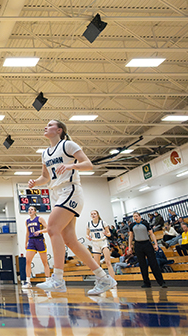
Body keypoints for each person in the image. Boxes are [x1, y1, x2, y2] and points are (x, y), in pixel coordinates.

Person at [29, 120, 116, 295]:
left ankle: (58, 279)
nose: (46, 127)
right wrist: (35, 182)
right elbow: (45, 177)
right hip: (57, 194)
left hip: (71, 191)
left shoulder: (68, 144)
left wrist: (71, 165)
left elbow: (88, 164)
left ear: (59, 130)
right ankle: (103, 278)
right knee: (70, 241)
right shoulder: (45, 153)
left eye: (50, 125)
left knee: (52, 228)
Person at [128, 212, 167, 288]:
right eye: (134, 216)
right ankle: (146, 283)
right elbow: (131, 236)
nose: (135, 217)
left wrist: (156, 244)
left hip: (147, 244)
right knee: (142, 265)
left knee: (153, 263)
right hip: (138, 245)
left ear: (140, 216)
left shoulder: (145, 223)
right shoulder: (132, 225)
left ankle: (161, 282)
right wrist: (130, 247)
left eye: (136, 216)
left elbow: (152, 234)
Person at [21, 206, 51, 288]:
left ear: (35, 211)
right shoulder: (27, 221)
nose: (30, 211)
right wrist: (25, 243)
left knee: (44, 261)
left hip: (40, 240)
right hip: (31, 241)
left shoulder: (39, 219)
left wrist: (40, 231)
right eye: (29, 210)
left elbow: (48, 228)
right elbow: (27, 233)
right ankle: (28, 282)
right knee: (28, 261)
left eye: (31, 209)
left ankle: (48, 280)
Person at [87, 210, 116, 277]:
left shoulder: (103, 223)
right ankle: (99, 280)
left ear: (98, 215)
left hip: (103, 242)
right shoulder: (88, 224)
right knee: (96, 265)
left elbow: (109, 234)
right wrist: (88, 237)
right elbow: (86, 234)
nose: (93, 215)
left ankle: (113, 281)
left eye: (94, 214)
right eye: (92, 214)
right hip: (95, 243)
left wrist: (106, 234)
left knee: (108, 262)